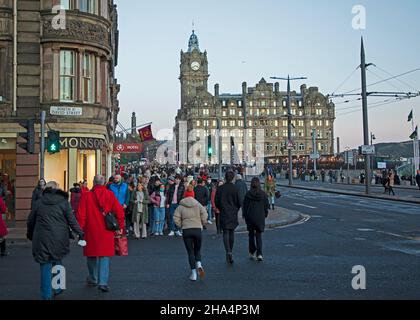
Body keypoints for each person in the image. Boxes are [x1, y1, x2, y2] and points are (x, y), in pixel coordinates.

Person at [27, 181, 84, 300]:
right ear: (57, 189)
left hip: (42, 238)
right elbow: (71, 220)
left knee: (45, 265)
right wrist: (80, 233)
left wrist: (30, 234)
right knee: (57, 261)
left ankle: (46, 294)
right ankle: (58, 287)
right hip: (59, 238)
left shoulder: (39, 202)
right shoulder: (63, 202)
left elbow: (30, 220)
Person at [77, 175, 125, 293]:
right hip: (106, 230)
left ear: (93, 182)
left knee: (91, 255)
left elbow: (81, 214)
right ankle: (103, 282)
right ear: (104, 183)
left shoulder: (87, 195)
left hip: (91, 229)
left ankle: (93, 278)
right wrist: (120, 226)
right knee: (104, 256)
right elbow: (119, 211)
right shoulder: (109, 195)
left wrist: (80, 229)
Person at [174, 185, 208, 281]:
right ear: (193, 195)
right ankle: (199, 264)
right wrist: (202, 222)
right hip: (197, 228)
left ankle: (193, 273)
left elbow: (175, 218)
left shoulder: (181, 206)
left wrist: (181, 225)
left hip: (186, 230)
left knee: (190, 252)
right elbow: (205, 214)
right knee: (197, 250)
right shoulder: (198, 204)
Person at [215, 171, 241, 265]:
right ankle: (231, 251)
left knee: (225, 232)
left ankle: (228, 251)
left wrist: (221, 208)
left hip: (224, 212)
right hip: (233, 212)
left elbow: (216, 201)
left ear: (225, 178)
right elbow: (239, 202)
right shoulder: (235, 188)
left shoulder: (220, 188)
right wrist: (235, 209)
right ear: (233, 178)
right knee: (232, 232)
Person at [243, 178, 270, 262]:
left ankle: (252, 252)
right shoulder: (263, 194)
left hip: (250, 217)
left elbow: (245, 206)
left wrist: (245, 215)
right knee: (259, 235)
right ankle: (260, 254)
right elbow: (266, 206)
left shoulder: (248, 194)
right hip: (260, 217)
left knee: (251, 234)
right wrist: (265, 214)